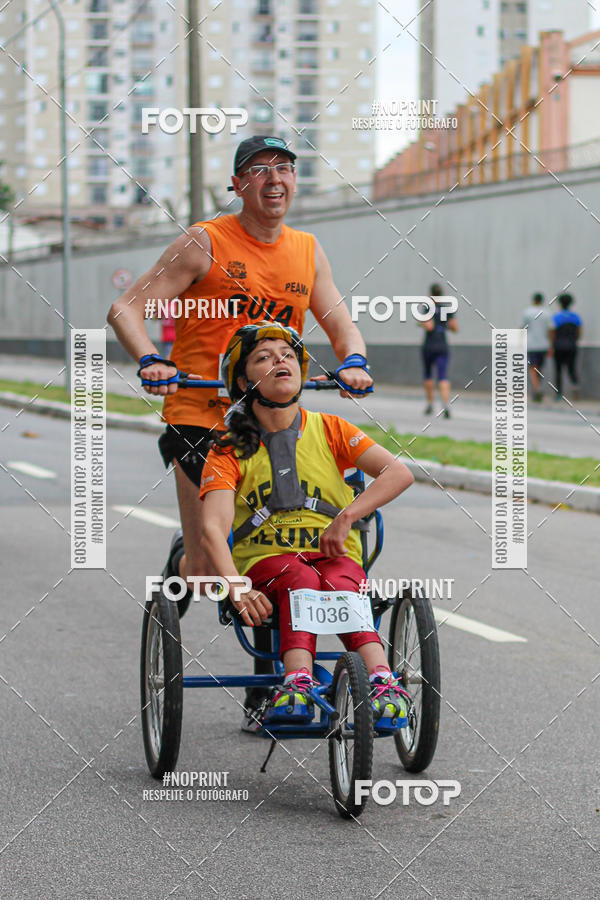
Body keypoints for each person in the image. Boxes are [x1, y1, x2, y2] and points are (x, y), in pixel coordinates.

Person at [107, 134, 373, 727]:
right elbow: (126, 308)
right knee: (208, 573)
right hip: (202, 418)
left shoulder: (307, 250)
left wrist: (353, 359)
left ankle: (275, 684)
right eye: (258, 170)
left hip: (275, 418)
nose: (274, 179)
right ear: (237, 185)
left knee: (290, 536)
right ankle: (195, 556)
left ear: (295, 182)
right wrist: (152, 358)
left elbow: (338, 321)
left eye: (285, 168)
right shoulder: (206, 241)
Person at [199, 323, 415, 729]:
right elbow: (213, 527)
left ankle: (383, 682)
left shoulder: (332, 429)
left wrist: (347, 515)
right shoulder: (227, 448)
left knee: (342, 582)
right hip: (265, 563)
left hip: (332, 557)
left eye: (287, 354)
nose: (280, 360)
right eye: (264, 356)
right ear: (245, 381)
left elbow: (398, 473)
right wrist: (235, 585)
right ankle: (296, 681)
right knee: (298, 575)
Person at [419, 283, 458, 418]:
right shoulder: (447, 309)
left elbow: (428, 326)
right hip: (442, 344)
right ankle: (445, 404)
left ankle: (430, 404)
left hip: (429, 345)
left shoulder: (427, 308)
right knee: (443, 376)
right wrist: (444, 325)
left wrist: (421, 323)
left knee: (428, 376)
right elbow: (455, 328)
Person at [550, 293, 582, 402]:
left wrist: (552, 346)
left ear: (560, 304)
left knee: (558, 370)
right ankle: (575, 386)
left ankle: (559, 394)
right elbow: (579, 332)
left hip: (558, 347)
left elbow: (552, 333)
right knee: (572, 368)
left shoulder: (556, 317)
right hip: (572, 346)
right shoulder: (576, 317)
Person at [521, 292, 552, 402]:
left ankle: (537, 388)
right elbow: (551, 330)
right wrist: (551, 346)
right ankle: (537, 387)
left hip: (531, 344)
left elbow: (522, 328)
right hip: (544, 345)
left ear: (533, 300)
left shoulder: (527, 313)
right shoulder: (547, 313)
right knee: (539, 368)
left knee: (533, 367)